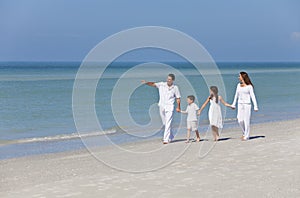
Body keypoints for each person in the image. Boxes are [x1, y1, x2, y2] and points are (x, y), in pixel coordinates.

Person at [141, 74, 181, 144]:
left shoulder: (175, 88)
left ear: (172, 80)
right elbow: (153, 84)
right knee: (164, 123)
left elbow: (178, 98)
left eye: (169, 79)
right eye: (167, 79)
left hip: (170, 106)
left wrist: (178, 107)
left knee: (168, 122)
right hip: (162, 105)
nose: (168, 80)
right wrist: (146, 82)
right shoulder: (162, 84)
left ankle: (165, 139)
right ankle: (170, 136)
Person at [231, 71, 258, 141]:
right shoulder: (238, 85)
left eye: (239, 76)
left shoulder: (249, 87)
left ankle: (247, 135)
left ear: (243, 77)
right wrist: (233, 104)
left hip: (247, 105)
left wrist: (255, 106)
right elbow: (236, 95)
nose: (238, 77)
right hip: (240, 104)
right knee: (239, 120)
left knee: (246, 120)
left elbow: (253, 96)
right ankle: (244, 132)